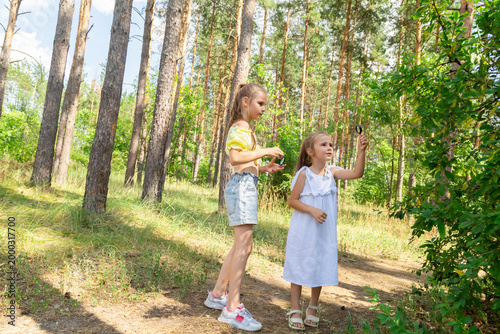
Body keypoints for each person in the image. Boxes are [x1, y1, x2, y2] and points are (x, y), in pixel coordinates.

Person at [204, 83, 285, 332]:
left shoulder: (246, 128)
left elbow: (244, 165)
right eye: (261, 104)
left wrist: (262, 168)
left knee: (241, 245)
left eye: (265, 105)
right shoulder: (241, 127)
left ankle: (218, 294)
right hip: (242, 189)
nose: (264, 109)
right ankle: (232, 309)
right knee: (245, 247)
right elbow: (234, 158)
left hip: (245, 184)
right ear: (246, 101)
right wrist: (266, 150)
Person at [283, 131, 369, 330]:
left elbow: (357, 173)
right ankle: (295, 308)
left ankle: (313, 306)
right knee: (299, 264)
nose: (329, 147)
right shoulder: (304, 174)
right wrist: (312, 209)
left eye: (331, 144)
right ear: (310, 151)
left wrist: (361, 151)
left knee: (318, 265)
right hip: (303, 231)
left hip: (323, 233)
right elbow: (292, 201)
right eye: (324, 144)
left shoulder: (333, 172)